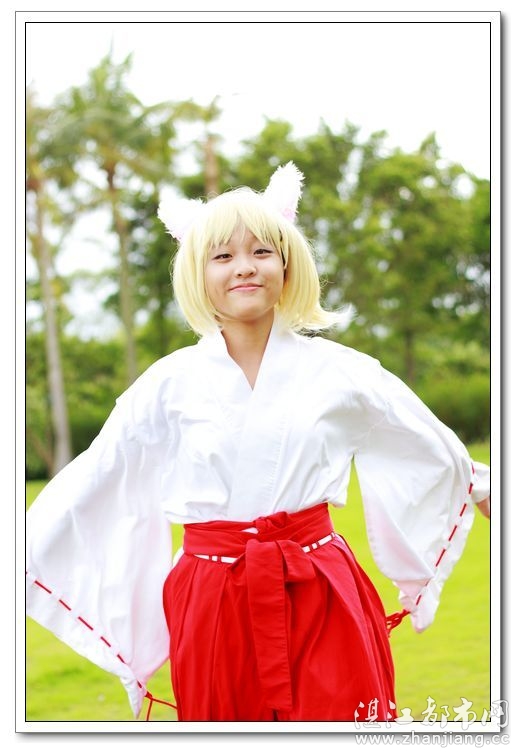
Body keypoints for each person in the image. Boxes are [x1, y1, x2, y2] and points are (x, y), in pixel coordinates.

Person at [26, 162, 490, 723]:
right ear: (198, 274)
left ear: (288, 264)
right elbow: (101, 474)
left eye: (262, 251)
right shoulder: (167, 385)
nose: (244, 266)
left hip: (319, 585)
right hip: (212, 597)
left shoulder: (341, 372)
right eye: (222, 256)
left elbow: (422, 440)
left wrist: (486, 490)